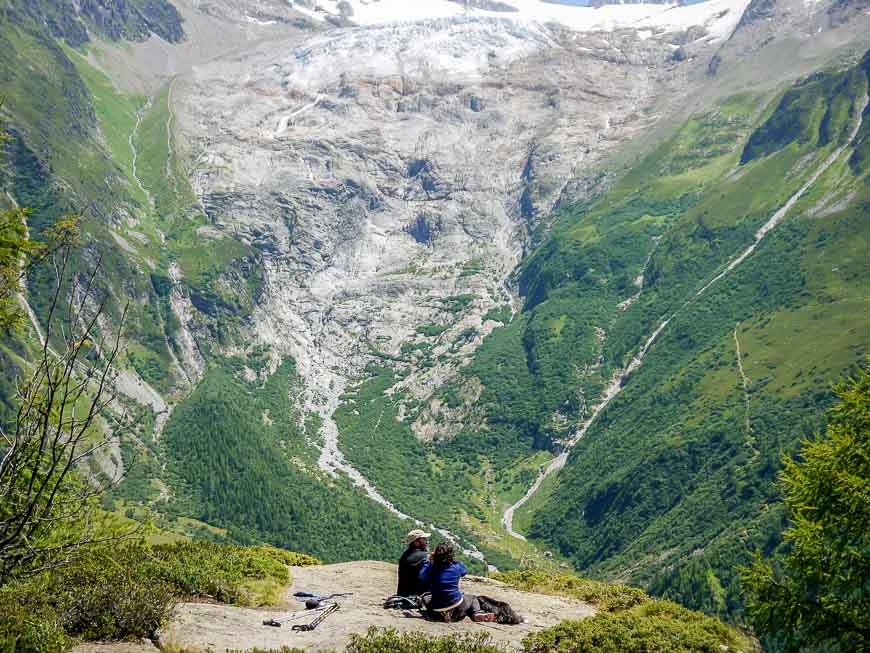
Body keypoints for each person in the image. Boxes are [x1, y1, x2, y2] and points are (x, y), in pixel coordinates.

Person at [418, 542, 495, 622]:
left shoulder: (432, 568)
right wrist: (453, 560)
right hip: (457, 608)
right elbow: (464, 571)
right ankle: (476, 613)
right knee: (472, 598)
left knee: (425, 597)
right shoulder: (456, 567)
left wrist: (429, 561)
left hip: (436, 611)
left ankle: (443, 614)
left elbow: (421, 576)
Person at [396, 529, 431, 598]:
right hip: (416, 596)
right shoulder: (423, 556)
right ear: (416, 542)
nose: (427, 541)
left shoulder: (406, 554)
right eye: (424, 539)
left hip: (403, 594)